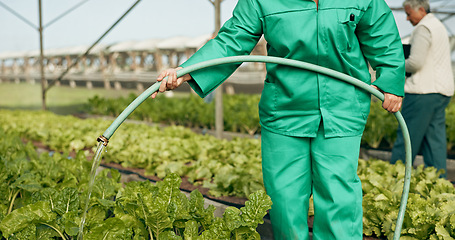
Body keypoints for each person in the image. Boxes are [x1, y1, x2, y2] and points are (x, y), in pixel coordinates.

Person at [152, 0, 405, 239]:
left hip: (342, 106)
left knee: (338, 194)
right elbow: (232, 39)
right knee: (285, 197)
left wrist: (391, 81)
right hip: (285, 107)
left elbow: (382, 36)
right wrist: (187, 72)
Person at [390, 0, 454, 179]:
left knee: (407, 139)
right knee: (435, 142)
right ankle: (439, 182)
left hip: (422, 93)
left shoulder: (423, 28)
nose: (407, 18)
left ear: (420, 10)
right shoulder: (438, 25)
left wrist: (395, 65)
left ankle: (395, 180)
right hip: (440, 92)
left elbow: (415, 63)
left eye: (409, 13)